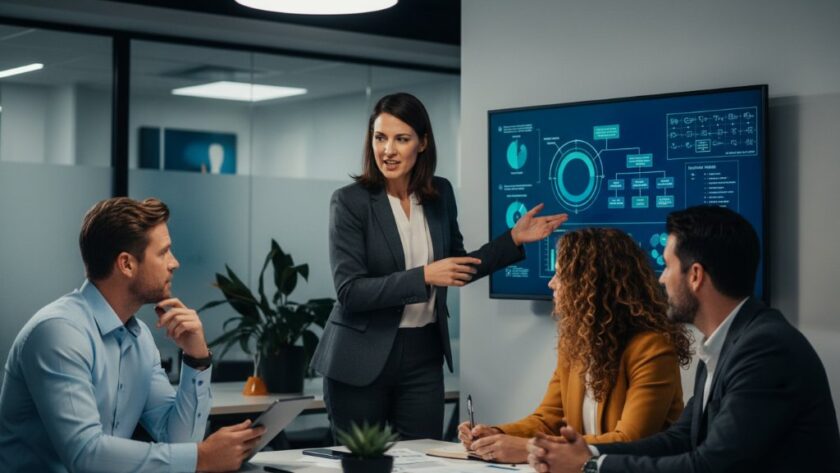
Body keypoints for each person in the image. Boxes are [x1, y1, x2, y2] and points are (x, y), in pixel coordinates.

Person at [310, 92, 568, 440]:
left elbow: (457, 266)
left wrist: (513, 240)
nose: (388, 150)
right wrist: (425, 276)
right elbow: (350, 292)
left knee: (423, 460)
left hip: (422, 354)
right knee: (362, 465)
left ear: (423, 143)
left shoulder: (439, 194)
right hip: (359, 358)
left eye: (401, 139)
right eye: (380, 137)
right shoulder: (350, 202)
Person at [527, 205, 840, 473]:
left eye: (667, 266)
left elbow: (708, 466)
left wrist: (592, 466)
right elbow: (680, 438)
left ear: (695, 276)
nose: (660, 278)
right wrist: (591, 454)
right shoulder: (727, 342)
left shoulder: (765, 349)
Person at [0, 197, 265, 473]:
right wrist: (201, 458)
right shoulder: (58, 333)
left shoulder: (139, 340)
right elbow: (85, 454)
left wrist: (197, 358)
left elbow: (179, 440)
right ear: (126, 264)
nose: (174, 264)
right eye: (163, 253)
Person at [457, 228, 691, 464]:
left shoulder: (652, 349)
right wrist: (496, 435)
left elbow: (629, 439)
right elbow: (548, 419)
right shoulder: (576, 343)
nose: (551, 284)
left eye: (560, 275)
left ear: (590, 287)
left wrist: (530, 448)